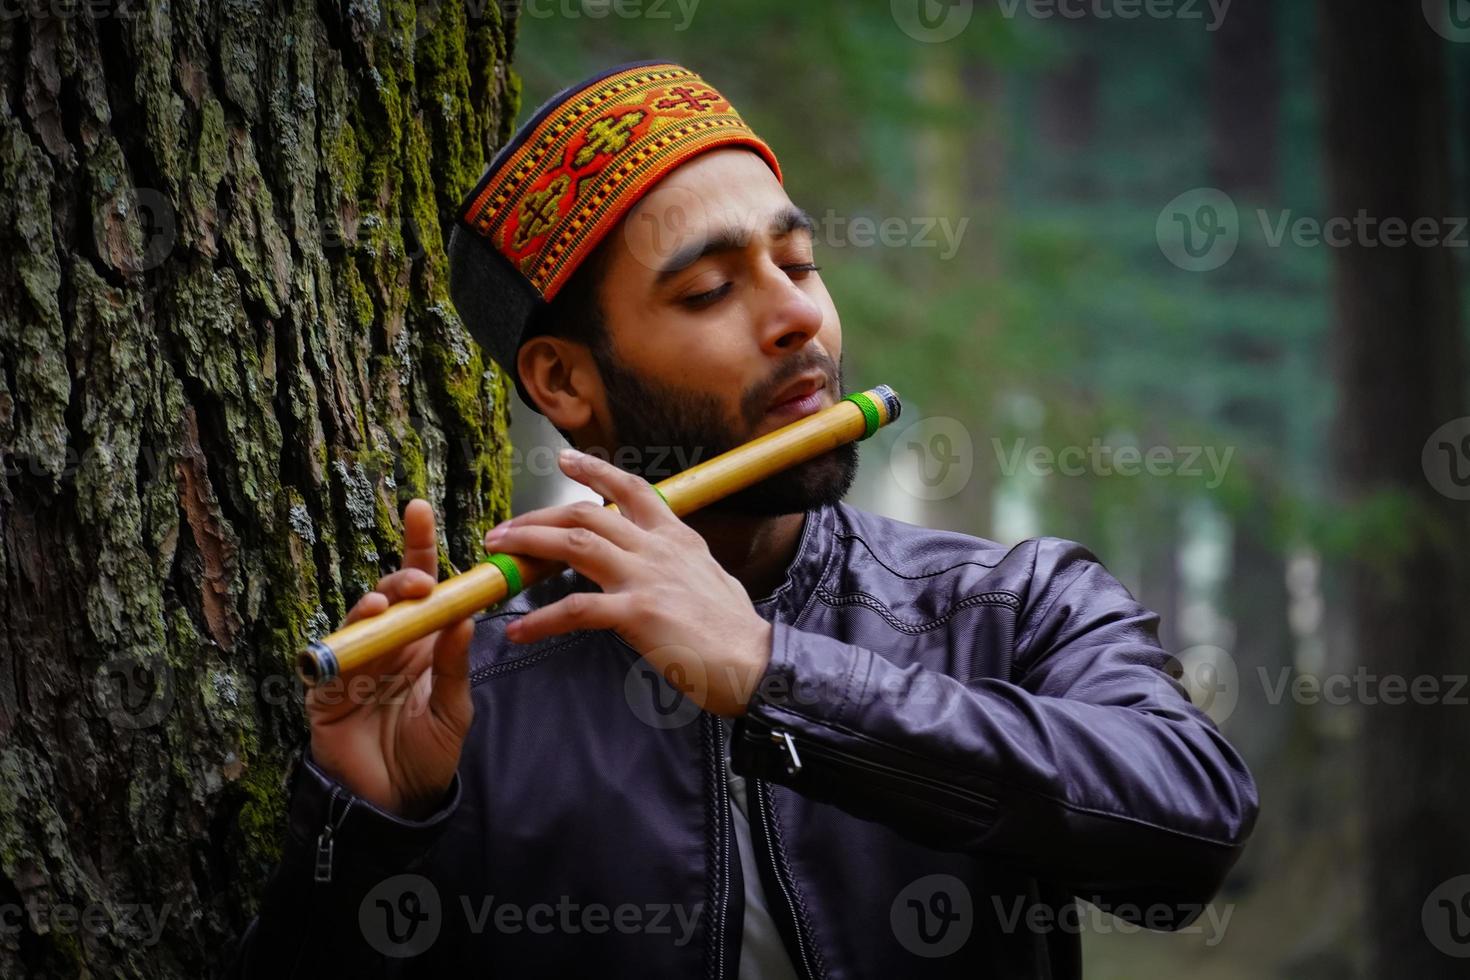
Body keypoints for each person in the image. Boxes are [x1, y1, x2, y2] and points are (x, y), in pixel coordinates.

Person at [228, 61, 1257, 979]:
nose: (799, 315)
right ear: (565, 379)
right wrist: (368, 829)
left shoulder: (1010, 605)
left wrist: (775, 673)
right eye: (712, 289)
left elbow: (1189, 828)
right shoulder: (466, 709)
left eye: (800, 263)